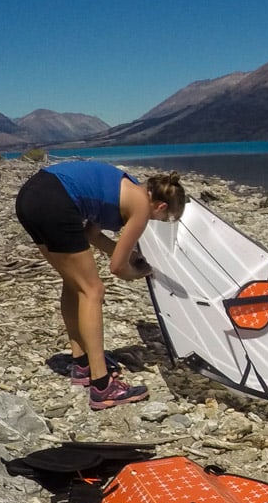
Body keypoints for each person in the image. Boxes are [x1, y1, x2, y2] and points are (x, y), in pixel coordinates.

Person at [14, 161, 187, 409]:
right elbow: (117, 268)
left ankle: (82, 363)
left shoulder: (129, 189)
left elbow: (91, 235)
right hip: (55, 200)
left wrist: (129, 257)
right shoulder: (140, 208)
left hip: (31, 196)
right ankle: (102, 385)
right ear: (161, 206)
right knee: (92, 290)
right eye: (163, 218)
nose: (157, 221)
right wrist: (138, 272)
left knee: (75, 282)